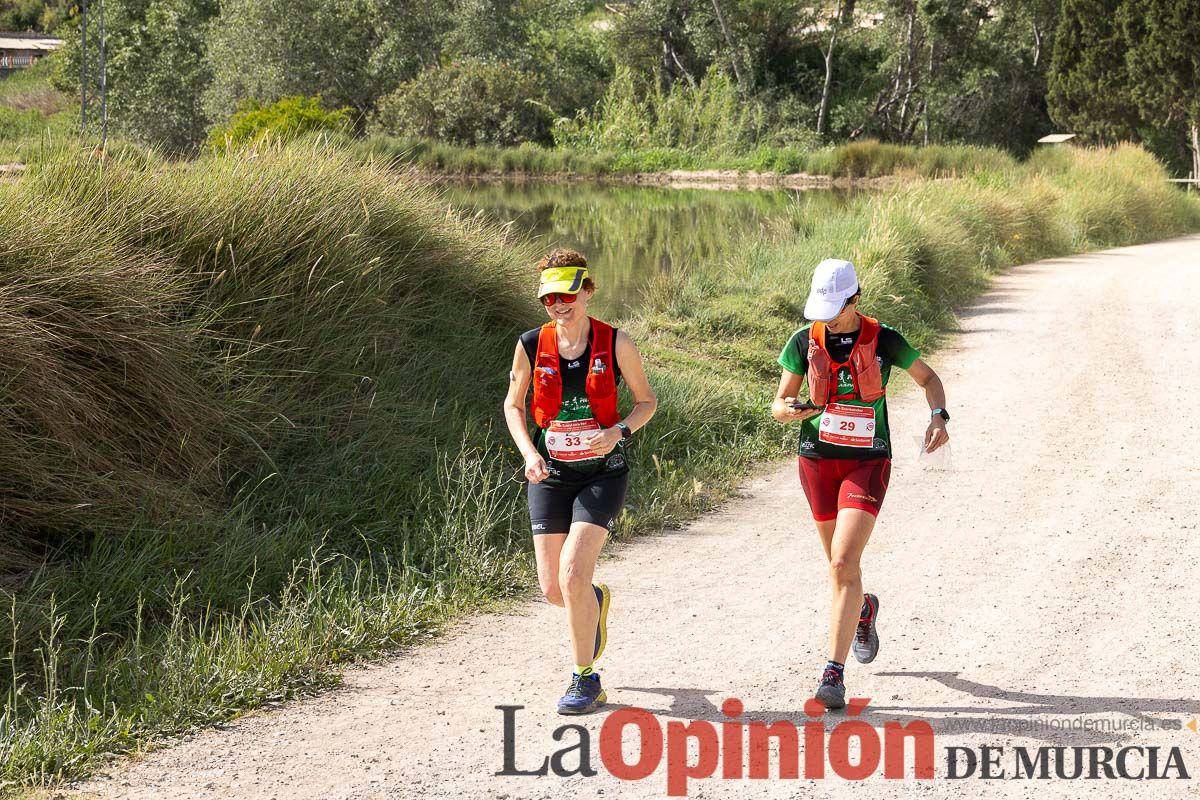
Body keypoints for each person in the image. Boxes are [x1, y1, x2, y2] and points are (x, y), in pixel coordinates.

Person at [772, 258, 949, 710]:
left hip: (867, 461)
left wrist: (938, 416)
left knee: (843, 561)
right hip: (816, 461)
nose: (826, 317)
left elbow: (929, 379)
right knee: (838, 567)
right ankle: (863, 609)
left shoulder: (884, 339)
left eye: (835, 307)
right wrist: (789, 410)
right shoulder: (802, 341)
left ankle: (833, 674)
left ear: (855, 298)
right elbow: (778, 403)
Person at [502, 248, 657, 715]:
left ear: (587, 291)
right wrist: (529, 453)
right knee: (555, 588)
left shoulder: (616, 343)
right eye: (550, 298)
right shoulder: (531, 344)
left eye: (567, 294)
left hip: (602, 474)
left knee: (571, 573)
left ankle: (585, 679)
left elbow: (646, 402)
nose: (558, 304)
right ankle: (593, 601)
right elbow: (513, 405)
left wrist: (619, 432)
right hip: (549, 473)